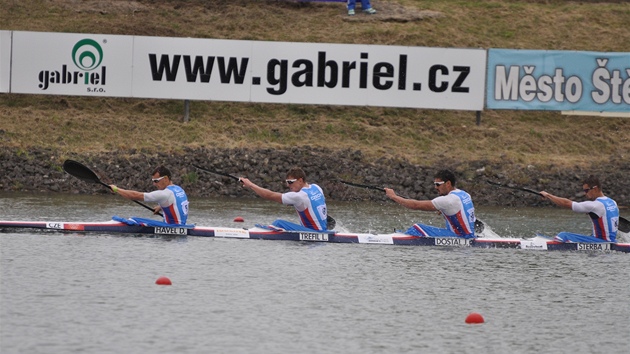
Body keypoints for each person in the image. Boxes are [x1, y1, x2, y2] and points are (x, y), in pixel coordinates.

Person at [384, 169, 477, 238]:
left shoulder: (448, 200)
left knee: (417, 228)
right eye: (434, 184)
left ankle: (400, 236)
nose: (435, 187)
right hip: (469, 235)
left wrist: (393, 196)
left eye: (438, 184)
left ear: (448, 184)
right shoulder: (465, 194)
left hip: (460, 237)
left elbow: (415, 205)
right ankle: (403, 234)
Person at [240, 167, 329, 231]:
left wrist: (250, 185)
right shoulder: (316, 187)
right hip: (323, 229)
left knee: (279, 223)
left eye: (290, 182)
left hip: (313, 233)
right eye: (287, 182)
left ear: (300, 180)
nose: (288, 185)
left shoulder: (299, 196)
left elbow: (269, 195)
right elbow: (315, 205)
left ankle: (257, 231)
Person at [540, 175, 619, 243]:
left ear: (595, 189)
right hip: (612, 241)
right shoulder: (613, 202)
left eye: (586, 190)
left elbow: (566, 203)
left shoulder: (596, 205)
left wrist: (548, 195)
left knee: (563, 235)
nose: (585, 193)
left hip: (602, 242)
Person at [110, 165, 189, 225]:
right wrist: (161, 207)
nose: (154, 184)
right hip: (181, 226)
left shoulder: (165, 193)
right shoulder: (179, 189)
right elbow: (176, 203)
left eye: (156, 181)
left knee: (134, 220)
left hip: (172, 227)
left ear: (165, 179)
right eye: (153, 181)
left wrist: (117, 189)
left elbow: (135, 195)